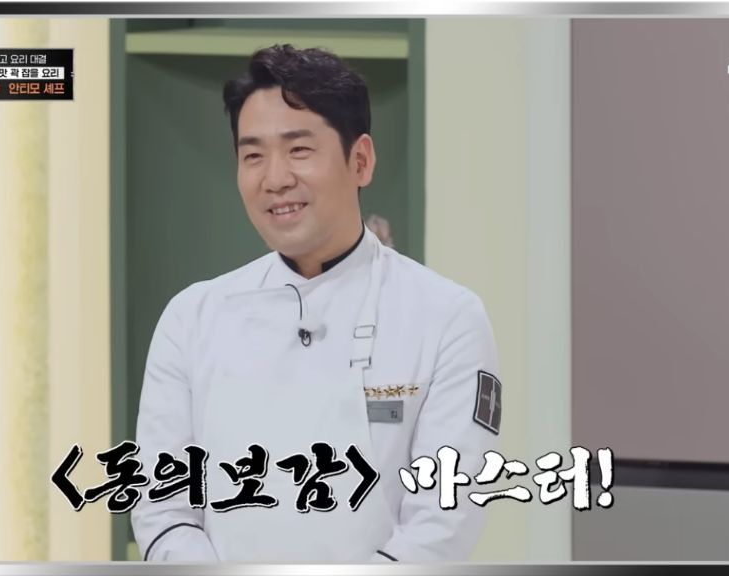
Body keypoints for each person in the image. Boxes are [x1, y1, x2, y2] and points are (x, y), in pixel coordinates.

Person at [131, 44, 501, 563]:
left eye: (299, 149)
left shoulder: (447, 318)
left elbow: (444, 519)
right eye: (253, 155)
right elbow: (162, 507)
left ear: (360, 161)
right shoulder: (191, 319)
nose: (275, 178)